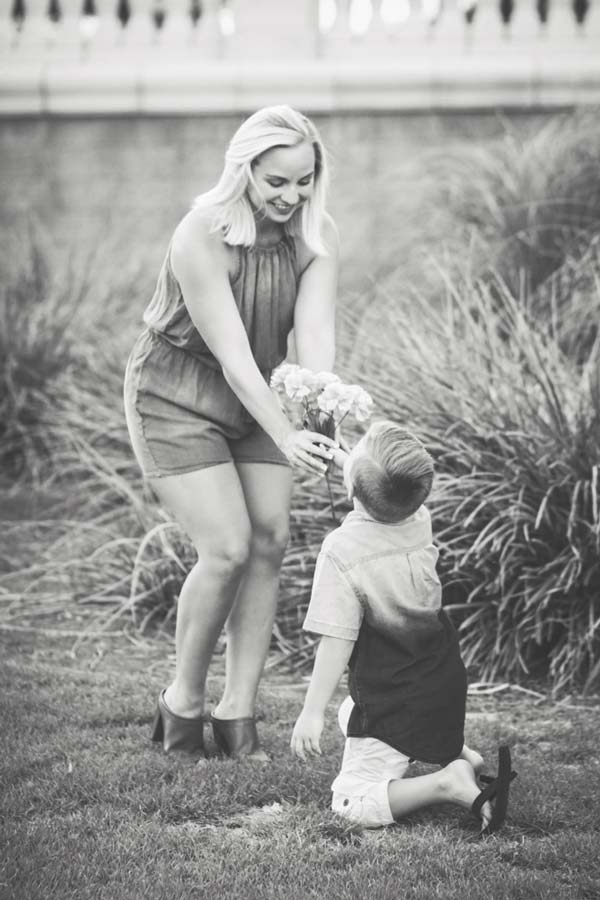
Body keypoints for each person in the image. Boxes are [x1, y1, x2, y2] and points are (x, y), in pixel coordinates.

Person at [123, 105, 340, 760]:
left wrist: (316, 411)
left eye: (304, 181)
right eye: (277, 182)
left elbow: (316, 338)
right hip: (177, 396)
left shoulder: (315, 233)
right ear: (244, 170)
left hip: (262, 395)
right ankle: (182, 702)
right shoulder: (201, 234)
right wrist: (285, 427)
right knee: (226, 547)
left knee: (271, 538)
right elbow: (233, 357)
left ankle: (237, 713)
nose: (291, 196)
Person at [290, 421, 516, 833]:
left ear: (351, 490)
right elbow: (381, 486)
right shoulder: (418, 516)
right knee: (350, 710)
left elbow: (337, 641)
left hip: (393, 696)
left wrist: (309, 712)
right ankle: (458, 753)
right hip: (441, 680)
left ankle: (448, 782)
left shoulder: (342, 551)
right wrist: (346, 460)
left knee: (351, 804)